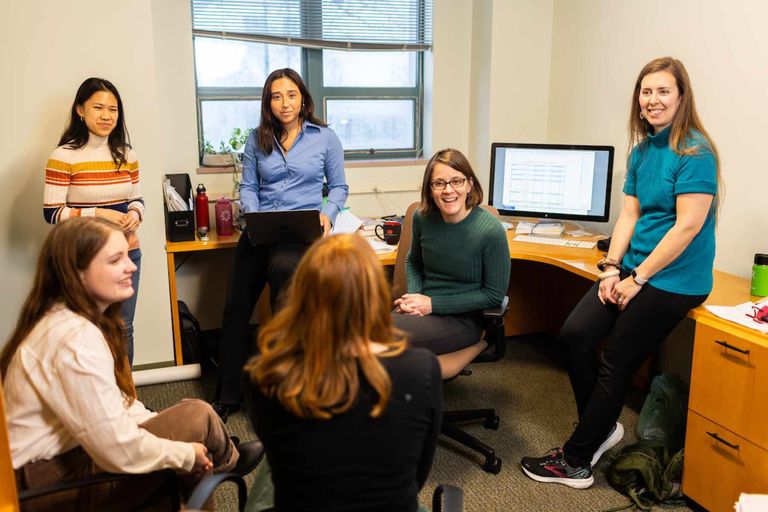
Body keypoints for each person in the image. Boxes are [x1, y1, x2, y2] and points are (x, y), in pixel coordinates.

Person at [521, 57, 721, 489]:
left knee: (617, 360)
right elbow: (629, 214)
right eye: (646, 92)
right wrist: (612, 268)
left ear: (682, 97)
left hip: (676, 279)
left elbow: (686, 227)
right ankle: (602, 428)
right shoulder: (643, 149)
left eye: (663, 91)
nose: (653, 100)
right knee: (575, 335)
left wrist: (638, 279)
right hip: (634, 268)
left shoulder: (696, 153)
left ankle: (576, 460)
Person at [1, 218, 262, 511]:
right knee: (192, 432)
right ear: (77, 273)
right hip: (44, 484)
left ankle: (219, 466)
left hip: (65, 459)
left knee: (190, 426)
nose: (131, 267)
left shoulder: (70, 321)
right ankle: (224, 464)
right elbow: (116, 449)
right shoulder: (74, 339)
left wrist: (157, 425)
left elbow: (115, 405)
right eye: (115, 260)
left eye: (127, 255)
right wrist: (185, 454)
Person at [244, 234, 442, 512]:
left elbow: (280, 466)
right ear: (375, 294)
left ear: (302, 294)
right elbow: (418, 475)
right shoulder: (421, 369)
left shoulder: (266, 374)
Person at [214, 68, 348, 420]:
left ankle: (288, 390)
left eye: (291, 94)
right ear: (268, 103)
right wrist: (255, 219)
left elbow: (338, 187)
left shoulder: (325, 138)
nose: (285, 103)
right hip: (261, 229)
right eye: (276, 96)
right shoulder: (257, 139)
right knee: (235, 305)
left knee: (285, 306)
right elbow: (249, 187)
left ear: (303, 97)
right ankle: (230, 394)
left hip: (300, 233)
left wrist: (328, 213)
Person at [43, 77, 144, 365]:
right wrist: (99, 214)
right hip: (83, 257)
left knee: (123, 328)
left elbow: (137, 199)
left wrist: (135, 215)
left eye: (113, 109)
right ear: (80, 110)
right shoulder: (63, 156)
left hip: (127, 251)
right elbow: (52, 212)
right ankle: (93, 404)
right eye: (98, 107)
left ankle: (127, 400)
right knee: (87, 330)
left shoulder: (127, 154)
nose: (106, 116)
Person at [392, 148, 511, 378]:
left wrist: (432, 305)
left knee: (372, 337)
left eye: (456, 181)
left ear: (469, 184)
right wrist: (417, 301)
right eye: (439, 183)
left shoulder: (490, 231)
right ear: (430, 188)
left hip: (463, 320)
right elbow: (413, 261)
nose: (448, 190)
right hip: (422, 313)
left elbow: (494, 296)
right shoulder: (422, 217)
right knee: (362, 331)